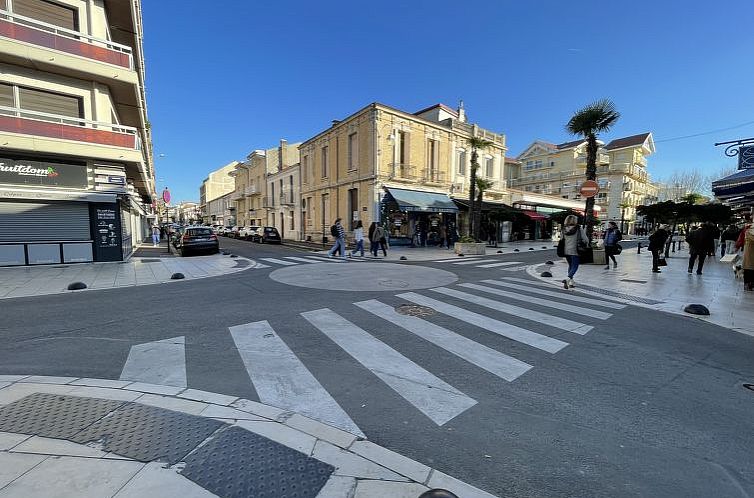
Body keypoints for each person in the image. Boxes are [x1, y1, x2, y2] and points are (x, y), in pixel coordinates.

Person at [560, 215, 587, 289]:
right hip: (576, 250)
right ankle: (567, 279)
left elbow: (561, 239)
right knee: (575, 266)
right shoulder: (578, 228)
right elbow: (585, 239)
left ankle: (571, 282)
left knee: (570, 266)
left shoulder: (563, 229)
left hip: (566, 250)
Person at [735, 216, 754, 291]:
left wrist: (737, 246)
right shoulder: (748, 229)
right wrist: (737, 246)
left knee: (749, 268)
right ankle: (749, 284)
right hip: (749, 252)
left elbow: (741, 238)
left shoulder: (747, 229)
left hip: (749, 251)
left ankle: (748, 284)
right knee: (749, 268)